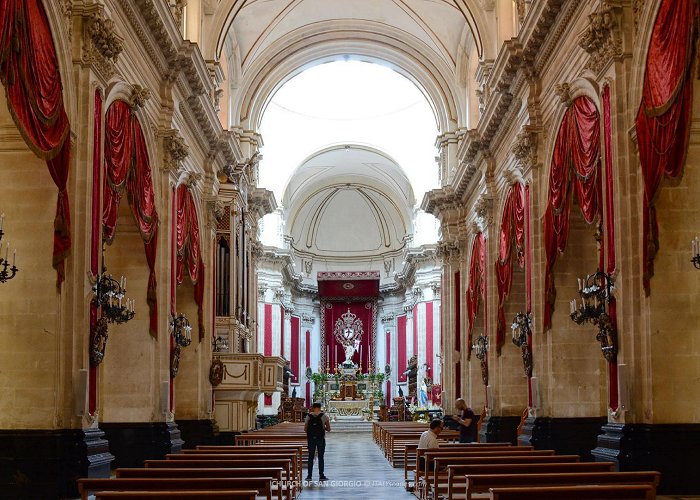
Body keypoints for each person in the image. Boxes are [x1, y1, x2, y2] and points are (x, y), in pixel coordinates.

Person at [304, 402, 331, 481]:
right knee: (321, 457)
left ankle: (309, 476)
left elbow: (305, 429)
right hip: (320, 438)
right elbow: (329, 429)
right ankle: (321, 476)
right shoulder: (324, 416)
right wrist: (323, 428)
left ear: (312, 407)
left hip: (311, 439)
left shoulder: (308, 416)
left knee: (311, 457)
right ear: (320, 407)